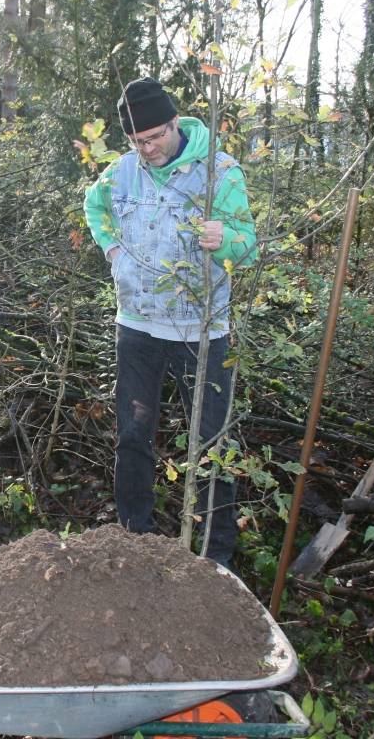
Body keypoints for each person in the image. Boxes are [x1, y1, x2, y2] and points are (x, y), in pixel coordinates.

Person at [82, 77, 258, 568]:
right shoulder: (121, 173)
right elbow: (94, 207)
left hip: (200, 333)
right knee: (134, 434)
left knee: (211, 441)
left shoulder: (218, 173)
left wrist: (225, 238)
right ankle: (133, 538)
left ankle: (214, 553)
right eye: (137, 141)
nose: (147, 149)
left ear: (175, 123)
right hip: (136, 328)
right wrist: (113, 249)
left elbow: (249, 246)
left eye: (155, 137)